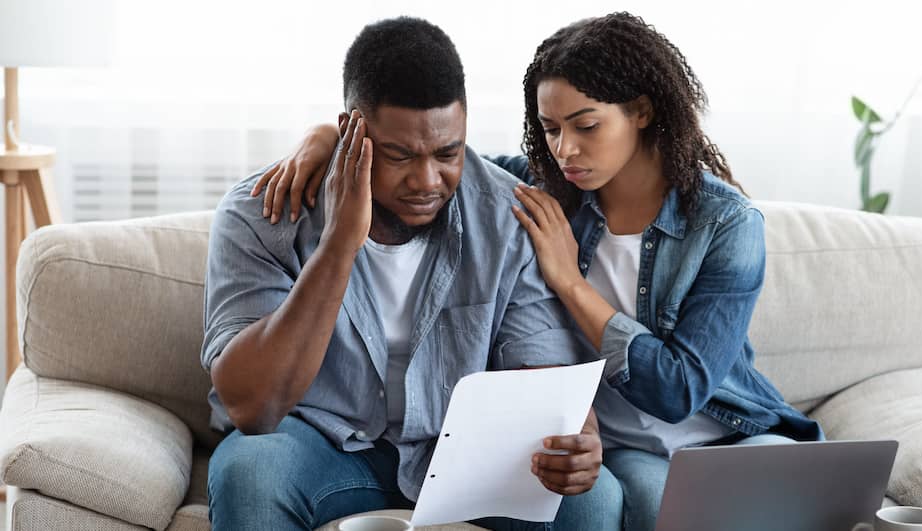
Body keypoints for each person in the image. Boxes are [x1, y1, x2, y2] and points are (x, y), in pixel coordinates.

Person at [258, 13, 823, 530]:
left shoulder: (725, 224)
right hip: (617, 447)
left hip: (723, 432)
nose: (566, 150)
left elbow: (679, 390)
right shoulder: (545, 187)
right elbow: (429, 154)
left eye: (586, 126)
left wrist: (569, 282)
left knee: (804, 502)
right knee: (651, 508)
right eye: (551, 129)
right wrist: (328, 139)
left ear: (643, 112)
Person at [202, 17, 622, 531]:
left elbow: (547, 377)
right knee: (250, 473)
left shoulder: (506, 216)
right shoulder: (261, 215)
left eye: (447, 154)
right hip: (321, 447)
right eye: (399, 156)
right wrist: (338, 246)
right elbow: (253, 409)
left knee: (594, 500)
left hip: (467, 457)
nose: (427, 181)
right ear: (350, 131)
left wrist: (577, 437)